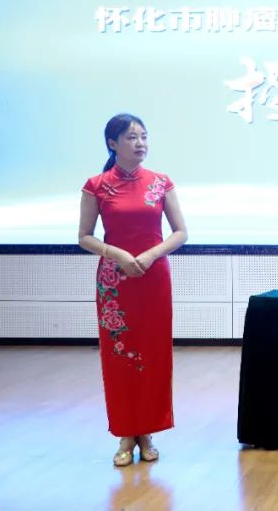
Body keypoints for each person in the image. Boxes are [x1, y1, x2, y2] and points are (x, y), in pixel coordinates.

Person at [78, 113, 188, 466]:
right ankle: (126, 433)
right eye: (131, 137)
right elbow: (84, 237)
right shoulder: (96, 185)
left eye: (144, 136)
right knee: (120, 357)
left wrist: (151, 254)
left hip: (153, 277)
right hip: (115, 282)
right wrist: (119, 255)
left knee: (154, 354)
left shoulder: (161, 182)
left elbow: (181, 232)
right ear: (112, 143)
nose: (140, 143)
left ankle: (148, 431)